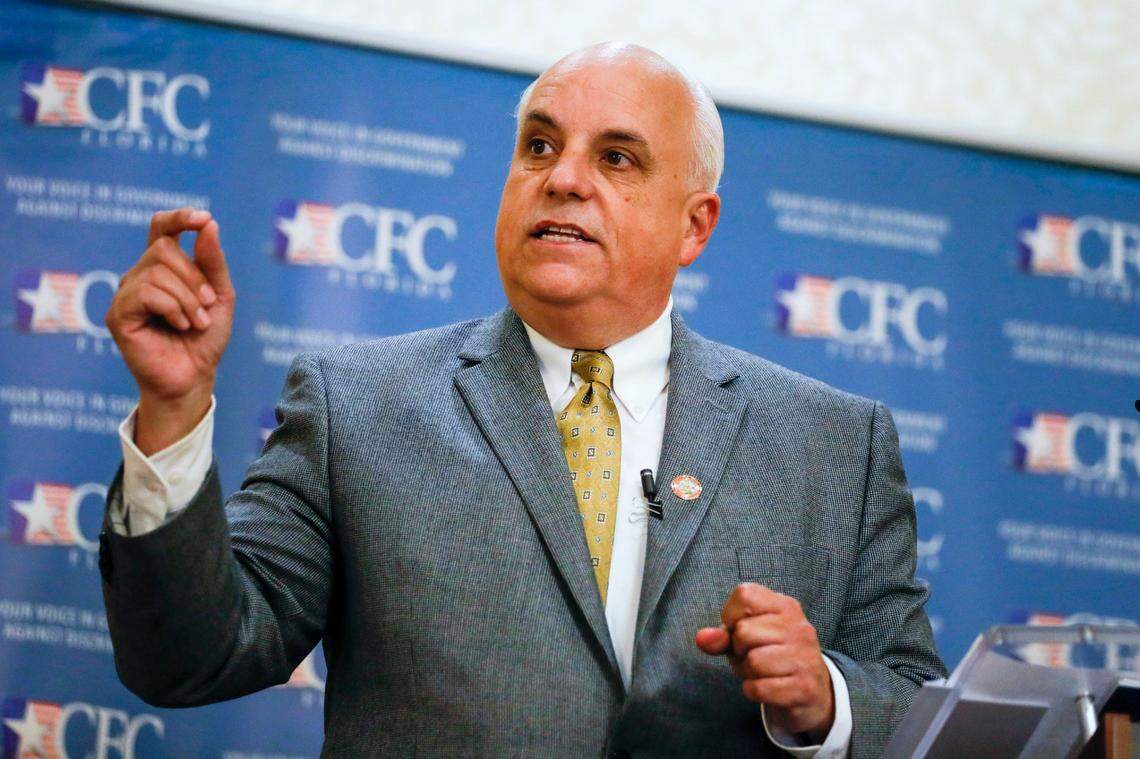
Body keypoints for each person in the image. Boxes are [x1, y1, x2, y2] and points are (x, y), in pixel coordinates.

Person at [101, 42, 945, 757]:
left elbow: (918, 706)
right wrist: (172, 413)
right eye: (540, 146)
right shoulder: (356, 406)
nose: (564, 179)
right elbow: (191, 657)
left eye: (616, 158)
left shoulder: (837, 443)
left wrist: (828, 699)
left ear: (695, 226)